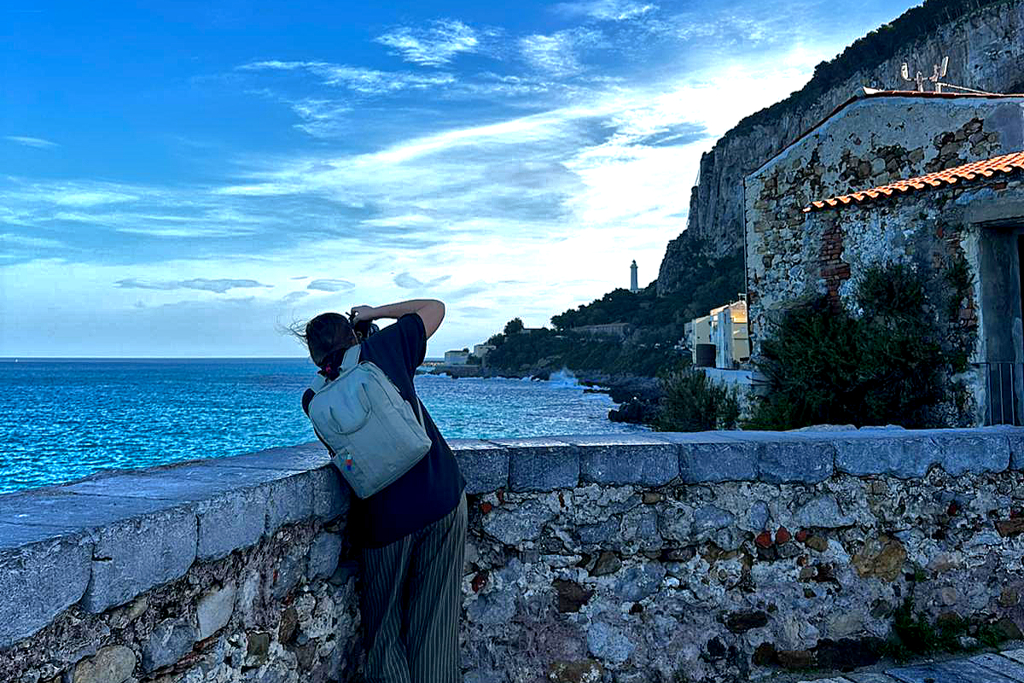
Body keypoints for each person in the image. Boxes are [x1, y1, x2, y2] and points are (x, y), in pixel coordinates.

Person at [297, 298, 467, 683]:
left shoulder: (311, 399)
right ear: (352, 334)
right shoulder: (384, 348)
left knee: (384, 632)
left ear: (313, 355)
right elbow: (435, 308)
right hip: (438, 493)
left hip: (382, 521)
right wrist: (373, 315)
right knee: (434, 626)